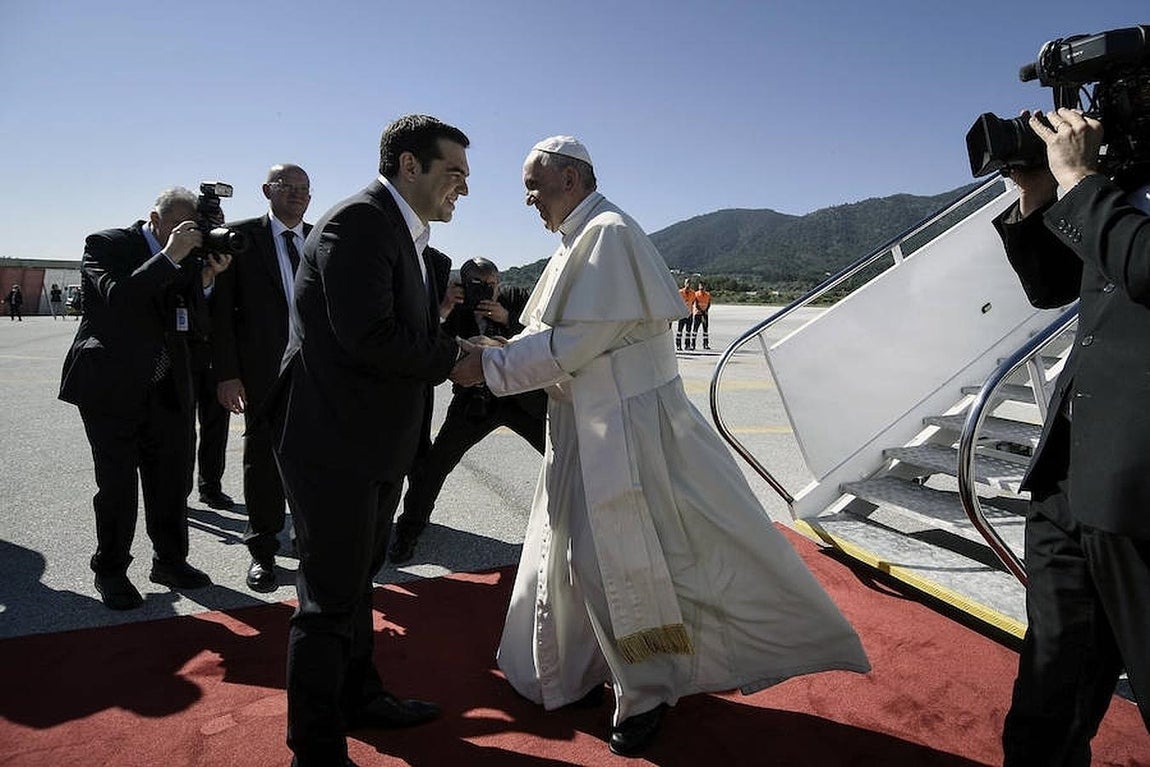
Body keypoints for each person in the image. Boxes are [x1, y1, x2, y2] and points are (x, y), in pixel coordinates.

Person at [451, 136, 869, 757]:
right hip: (586, 429)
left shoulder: (609, 234)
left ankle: (646, 693)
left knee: (616, 565)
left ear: (571, 177)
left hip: (625, 434)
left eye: (534, 185)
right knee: (565, 558)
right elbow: (557, 336)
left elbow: (573, 347)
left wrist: (491, 367)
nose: (528, 199)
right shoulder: (579, 239)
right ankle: (577, 671)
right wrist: (499, 353)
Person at [268, 115, 473, 767]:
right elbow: (370, 336)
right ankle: (316, 747)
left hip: (367, 441)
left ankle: (359, 697)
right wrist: (457, 357)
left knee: (356, 587)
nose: (463, 188)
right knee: (328, 599)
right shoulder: (358, 221)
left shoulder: (397, 231)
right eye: (454, 173)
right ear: (409, 166)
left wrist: (451, 348)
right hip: (334, 442)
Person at [993, 104, 1150, 765]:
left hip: (1139, 485)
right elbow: (1053, 285)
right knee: (1050, 683)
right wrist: (1038, 193)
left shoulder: (1105, 188)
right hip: (1071, 471)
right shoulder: (1129, 180)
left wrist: (1083, 182)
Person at [58, 187, 232, 610]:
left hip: (167, 385)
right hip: (110, 386)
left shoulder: (187, 257)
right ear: (156, 218)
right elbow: (119, 299)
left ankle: (170, 561)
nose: (189, 235)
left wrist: (205, 282)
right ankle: (111, 569)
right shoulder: (107, 244)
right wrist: (171, 256)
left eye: (194, 228)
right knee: (117, 485)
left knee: (171, 480)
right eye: (180, 226)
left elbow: (195, 324)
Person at [388, 257, 547, 565]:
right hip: (475, 402)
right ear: (462, 283)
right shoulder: (454, 308)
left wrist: (507, 319)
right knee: (435, 466)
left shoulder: (517, 299)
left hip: (520, 400)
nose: (485, 292)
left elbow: (539, 339)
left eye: (491, 285)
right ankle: (409, 529)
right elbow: (427, 340)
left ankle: (584, 526)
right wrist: (446, 308)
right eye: (476, 285)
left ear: (500, 282)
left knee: (561, 451)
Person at [214, 163, 313, 592]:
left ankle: (312, 547)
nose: (296, 194)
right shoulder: (240, 239)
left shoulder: (322, 237)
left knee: (317, 462)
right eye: (286, 186)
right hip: (261, 374)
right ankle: (262, 552)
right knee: (263, 463)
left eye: (303, 189)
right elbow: (220, 313)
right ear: (266, 190)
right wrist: (228, 374)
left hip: (318, 374)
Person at [674, 277, 694, 350]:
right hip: (682, 314)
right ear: (684, 284)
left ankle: (687, 345)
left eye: (689, 283)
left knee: (688, 331)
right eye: (687, 283)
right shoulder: (680, 292)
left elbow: (693, 302)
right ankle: (678, 345)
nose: (688, 284)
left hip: (689, 314)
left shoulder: (693, 293)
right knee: (680, 331)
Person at [691, 280, 712, 350]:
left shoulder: (708, 294)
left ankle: (705, 344)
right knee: (695, 329)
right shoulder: (696, 294)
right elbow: (696, 304)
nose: (702, 288)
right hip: (698, 314)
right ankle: (693, 344)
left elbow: (709, 303)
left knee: (705, 329)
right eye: (700, 286)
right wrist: (702, 311)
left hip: (705, 314)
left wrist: (706, 311)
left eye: (703, 286)